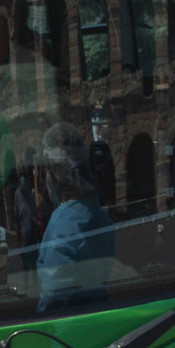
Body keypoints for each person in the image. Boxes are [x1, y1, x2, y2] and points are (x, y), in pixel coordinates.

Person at [36, 122, 115, 311]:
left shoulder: (64, 222)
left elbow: (54, 293)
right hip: (98, 313)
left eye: (48, 171)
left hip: (70, 322)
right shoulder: (100, 216)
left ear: (56, 174)